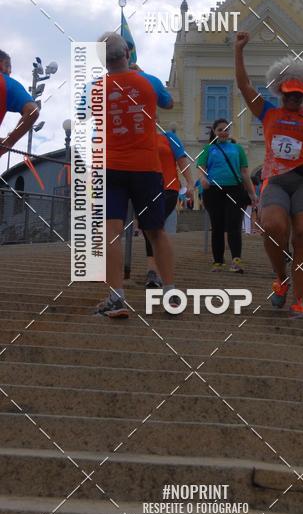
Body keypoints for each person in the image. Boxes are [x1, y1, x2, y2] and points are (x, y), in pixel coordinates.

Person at [234, 31, 303, 317]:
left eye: (299, 95)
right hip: (276, 181)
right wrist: (239, 50)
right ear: (280, 92)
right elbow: (243, 86)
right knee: (273, 227)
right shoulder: (268, 113)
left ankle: (299, 300)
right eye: (289, 94)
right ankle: (281, 278)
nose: (294, 99)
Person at [90, 34, 175, 318]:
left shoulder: (96, 89)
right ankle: (170, 293)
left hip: (109, 167)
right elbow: (169, 103)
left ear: (103, 59)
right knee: (156, 231)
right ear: (128, 52)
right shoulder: (148, 81)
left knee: (110, 232)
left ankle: (116, 297)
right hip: (147, 168)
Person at [196, 118, 257, 273]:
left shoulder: (238, 149)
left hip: (235, 190)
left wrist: (252, 193)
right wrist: (203, 178)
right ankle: (218, 262)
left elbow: (244, 173)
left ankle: (236, 260)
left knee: (234, 225)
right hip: (213, 191)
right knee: (217, 227)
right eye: (220, 130)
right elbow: (201, 168)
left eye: (226, 129)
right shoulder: (208, 149)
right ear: (214, 132)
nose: (223, 132)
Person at [144, 127, 194, 289]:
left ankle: (155, 272)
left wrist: (190, 183)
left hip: (168, 188)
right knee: (149, 228)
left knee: (154, 227)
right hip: (145, 190)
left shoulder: (169, 137)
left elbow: (181, 160)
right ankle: (153, 272)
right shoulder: (138, 138)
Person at [0, 50, 39, 158]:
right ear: (1, 64)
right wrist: (9, 142)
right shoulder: (6, 83)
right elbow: (33, 111)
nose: (10, 71)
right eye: (8, 66)